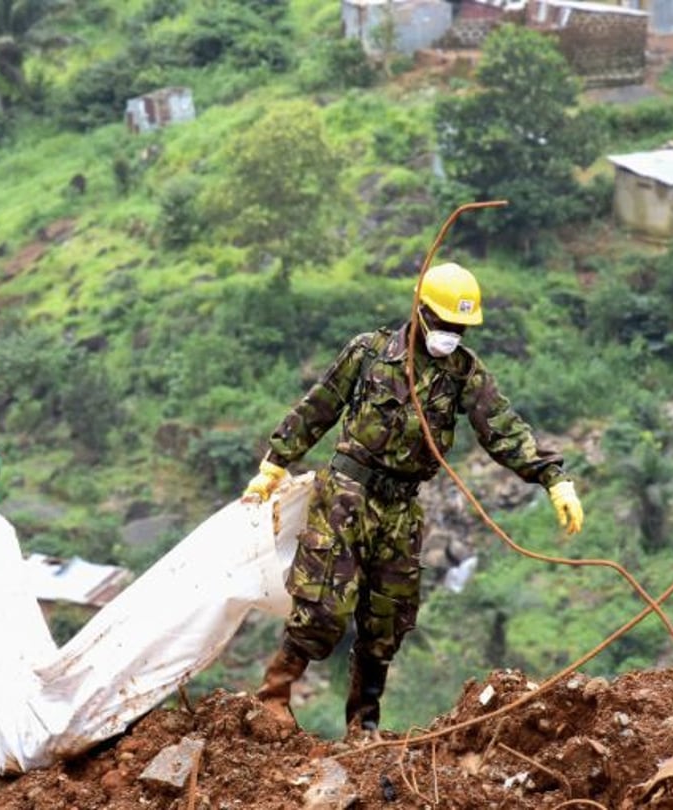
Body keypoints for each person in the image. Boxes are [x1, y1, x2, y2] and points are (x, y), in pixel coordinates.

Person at [241, 262, 583, 736]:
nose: (450, 334)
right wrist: (274, 464)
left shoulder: (463, 373)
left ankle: (364, 725)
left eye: (460, 327)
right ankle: (274, 699)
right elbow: (319, 406)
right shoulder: (370, 353)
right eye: (444, 323)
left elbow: (501, 426)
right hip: (346, 495)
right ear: (421, 312)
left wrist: (552, 477)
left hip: (401, 508)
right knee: (323, 606)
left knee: (387, 621)